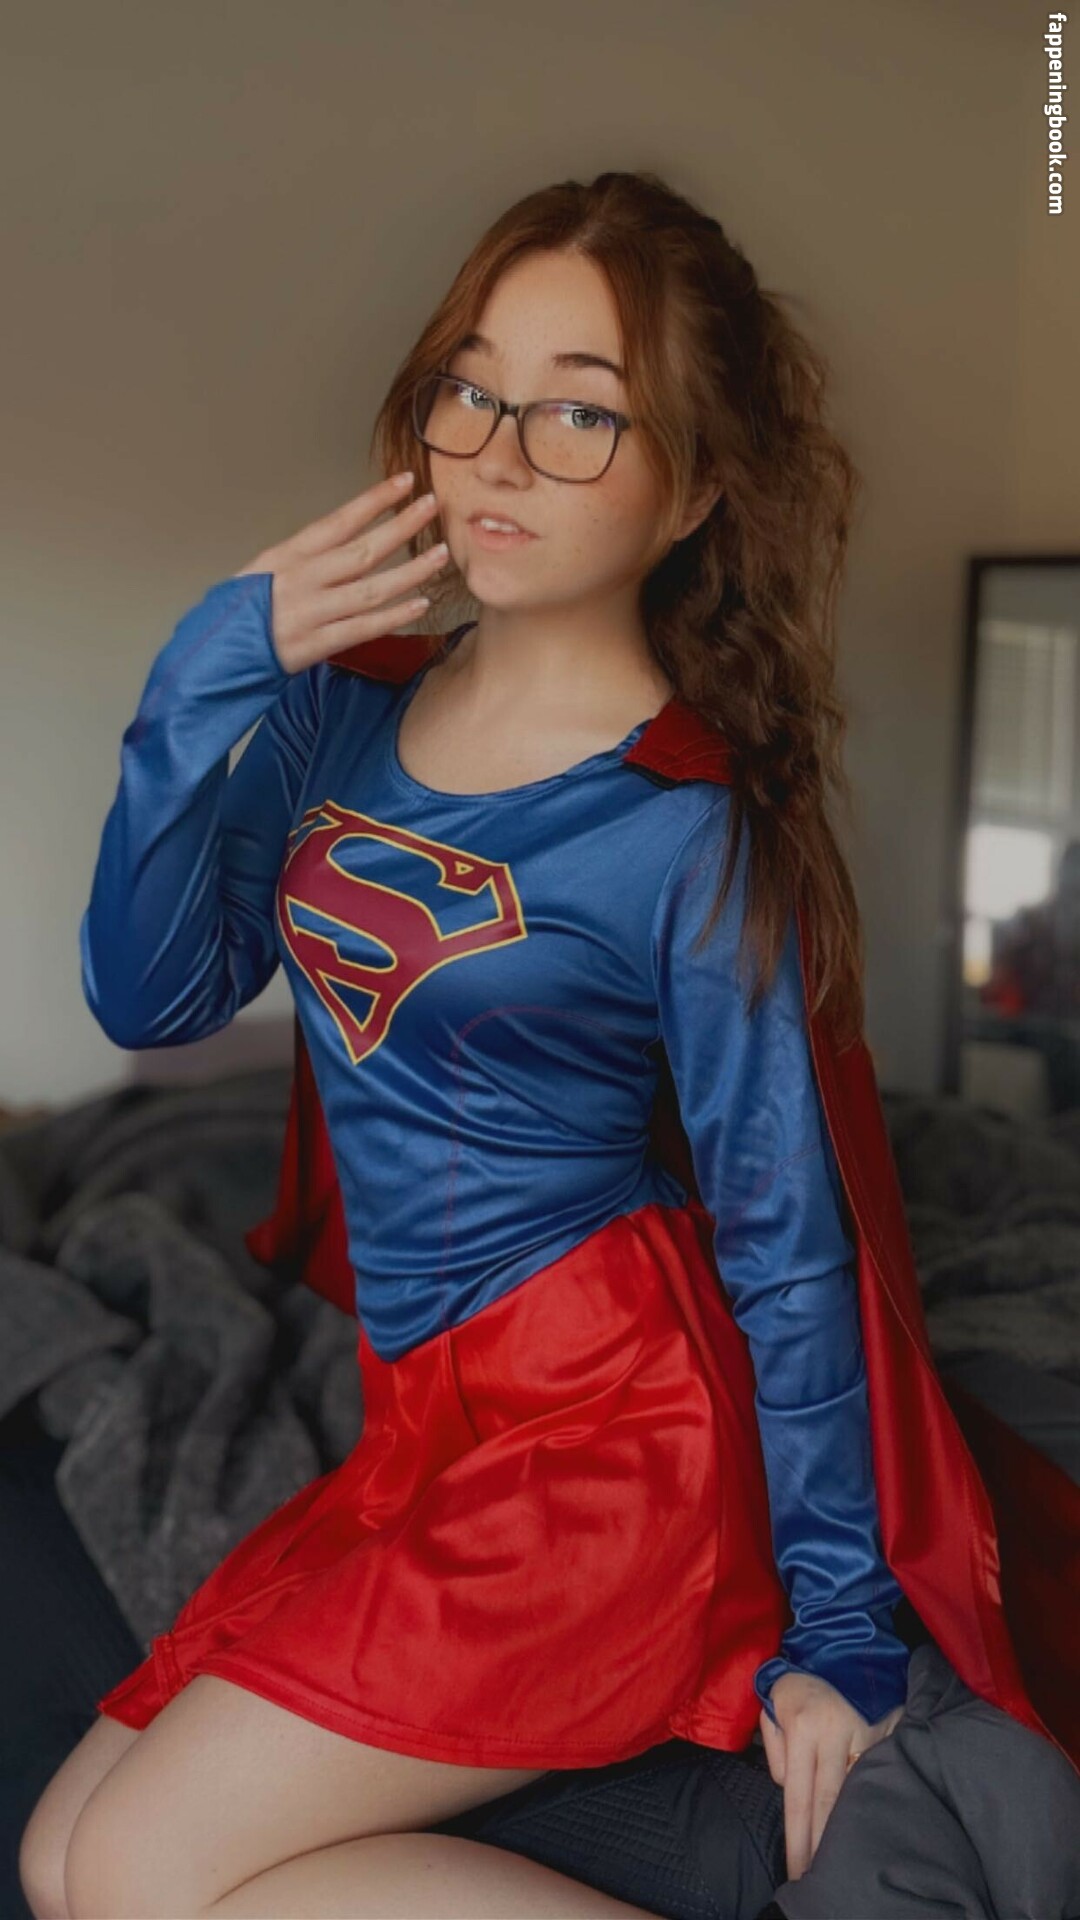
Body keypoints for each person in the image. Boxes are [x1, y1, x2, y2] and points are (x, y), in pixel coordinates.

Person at [20, 170, 1075, 1920]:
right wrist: (199, 680)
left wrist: (837, 1629)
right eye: (473, 387)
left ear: (699, 486)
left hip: (617, 1445)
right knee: (60, 1859)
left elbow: (789, 1240)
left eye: (585, 411)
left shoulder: (682, 828)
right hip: (427, 1428)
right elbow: (150, 998)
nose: (502, 454)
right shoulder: (340, 701)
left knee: (133, 1870)